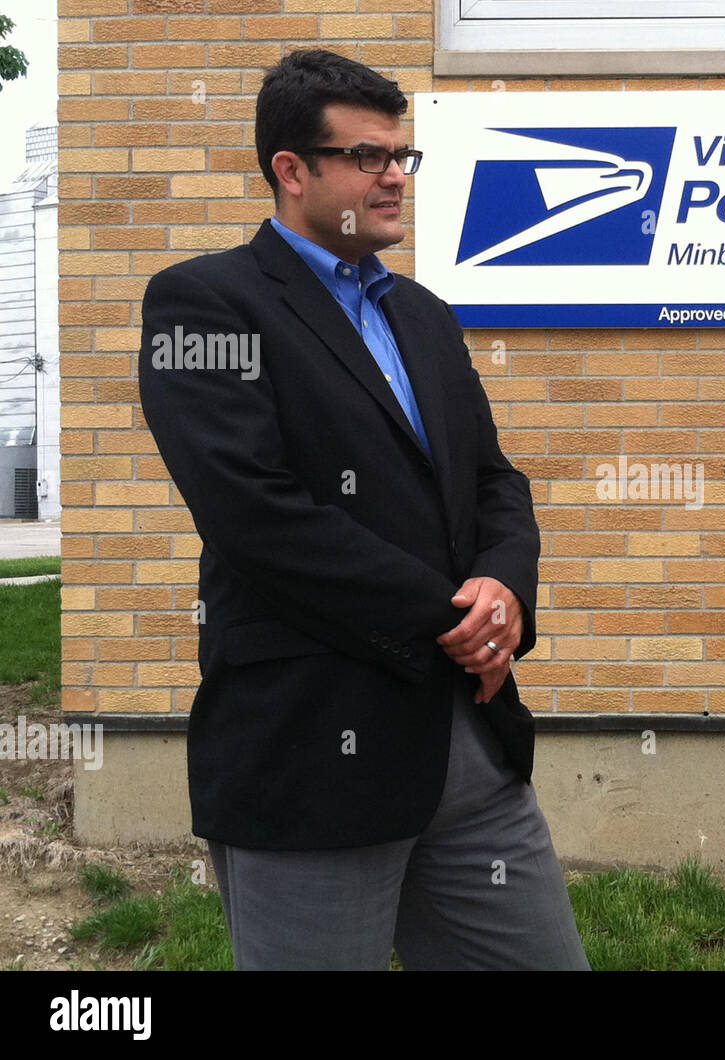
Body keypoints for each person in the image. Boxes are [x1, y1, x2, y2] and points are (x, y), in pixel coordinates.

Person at [137, 49, 588, 970]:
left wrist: (505, 590)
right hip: (310, 755)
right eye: (369, 157)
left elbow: (495, 482)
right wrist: (451, 620)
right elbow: (259, 518)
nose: (394, 177)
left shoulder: (423, 314)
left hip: (470, 747)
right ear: (291, 171)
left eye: (401, 156)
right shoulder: (203, 304)